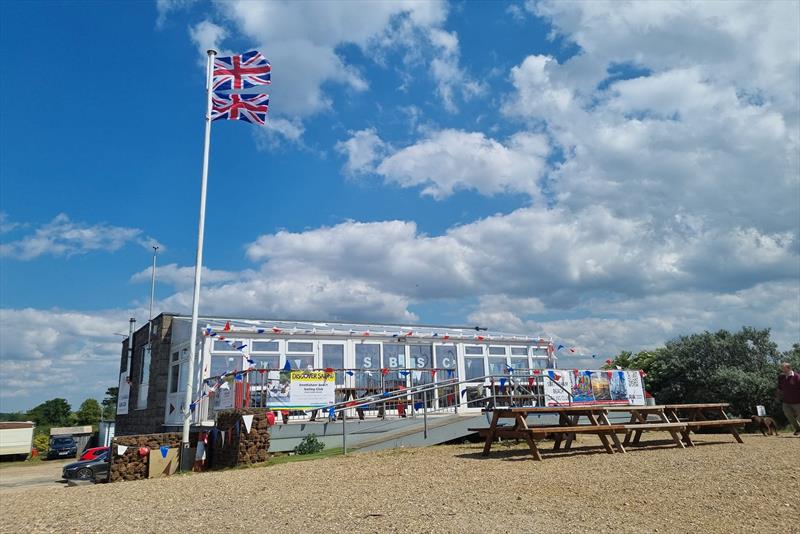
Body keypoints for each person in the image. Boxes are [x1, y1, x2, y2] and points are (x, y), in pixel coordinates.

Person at [777, 362, 800, 436]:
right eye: (781, 368)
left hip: (798, 401)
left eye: (783, 368)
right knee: (788, 415)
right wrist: (778, 397)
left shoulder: (797, 377)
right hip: (786, 401)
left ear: (789, 368)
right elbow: (780, 389)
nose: (782, 370)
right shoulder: (781, 377)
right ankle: (798, 429)